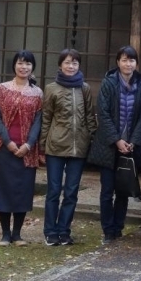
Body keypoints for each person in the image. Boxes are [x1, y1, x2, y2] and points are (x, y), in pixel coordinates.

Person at [88, 46, 141, 244]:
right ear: (117, 62)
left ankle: (118, 227)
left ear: (136, 63)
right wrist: (117, 140)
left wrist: (133, 141)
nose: (128, 64)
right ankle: (107, 230)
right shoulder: (109, 82)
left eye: (131, 60)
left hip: (130, 147)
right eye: (124, 60)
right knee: (107, 191)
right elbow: (102, 114)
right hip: (108, 146)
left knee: (123, 190)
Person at [0, 50, 43, 246]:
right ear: (14, 65)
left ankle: (18, 234)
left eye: (28, 64)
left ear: (32, 67)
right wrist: (8, 142)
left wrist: (28, 144)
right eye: (20, 63)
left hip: (27, 150)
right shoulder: (2, 89)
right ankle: (5, 233)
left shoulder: (37, 93)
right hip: (5, 147)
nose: (24, 67)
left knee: (22, 190)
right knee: (3, 189)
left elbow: (38, 122)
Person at [41, 49, 95, 246]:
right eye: (67, 63)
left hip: (78, 146)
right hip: (55, 145)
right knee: (54, 190)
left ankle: (64, 230)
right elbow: (46, 117)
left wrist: (90, 138)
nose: (71, 66)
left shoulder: (85, 88)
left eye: (75, 63)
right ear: (60, 65)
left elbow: (90, 116)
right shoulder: (51, 88)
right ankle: (50, 231)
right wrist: (41, 145)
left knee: (71, 191)